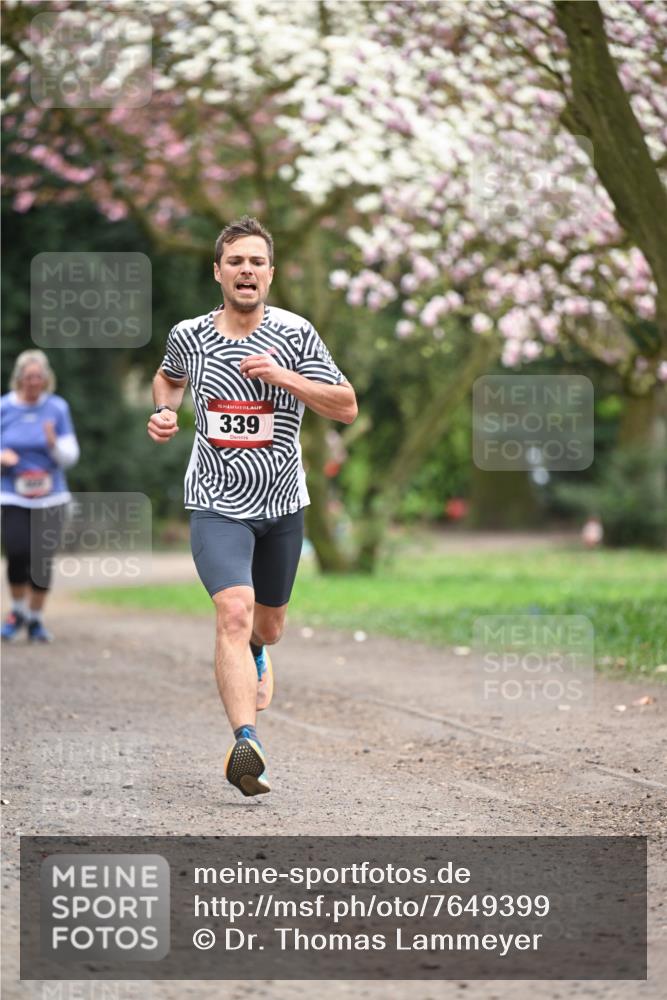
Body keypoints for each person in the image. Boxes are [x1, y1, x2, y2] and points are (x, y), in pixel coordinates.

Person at [147, 216, 357, 797]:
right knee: (233, 613)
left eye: (256, 262)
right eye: (235, 261)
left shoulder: (295, 333)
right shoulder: (189, 335)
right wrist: (166, 412)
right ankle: (248, 743)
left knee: (267, 624)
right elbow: (166, 379)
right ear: (218, 272)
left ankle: (260, 652)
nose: (246, 270)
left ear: (270, 273)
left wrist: (286, 378)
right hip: (216, 500)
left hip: (282, 501)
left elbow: (346, 406)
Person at [1, 349, 80, 642]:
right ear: (20, 378)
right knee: (18, 552)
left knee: (42, 558)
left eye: (39, 376)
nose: (34, 381)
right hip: (13, 494)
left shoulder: (57, 408)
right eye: (29, 376)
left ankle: (35, 618)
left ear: (46, 379)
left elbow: (70, 456)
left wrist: (52, 444)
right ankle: (18, 610)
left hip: (51, 496)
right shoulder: (4, 408)